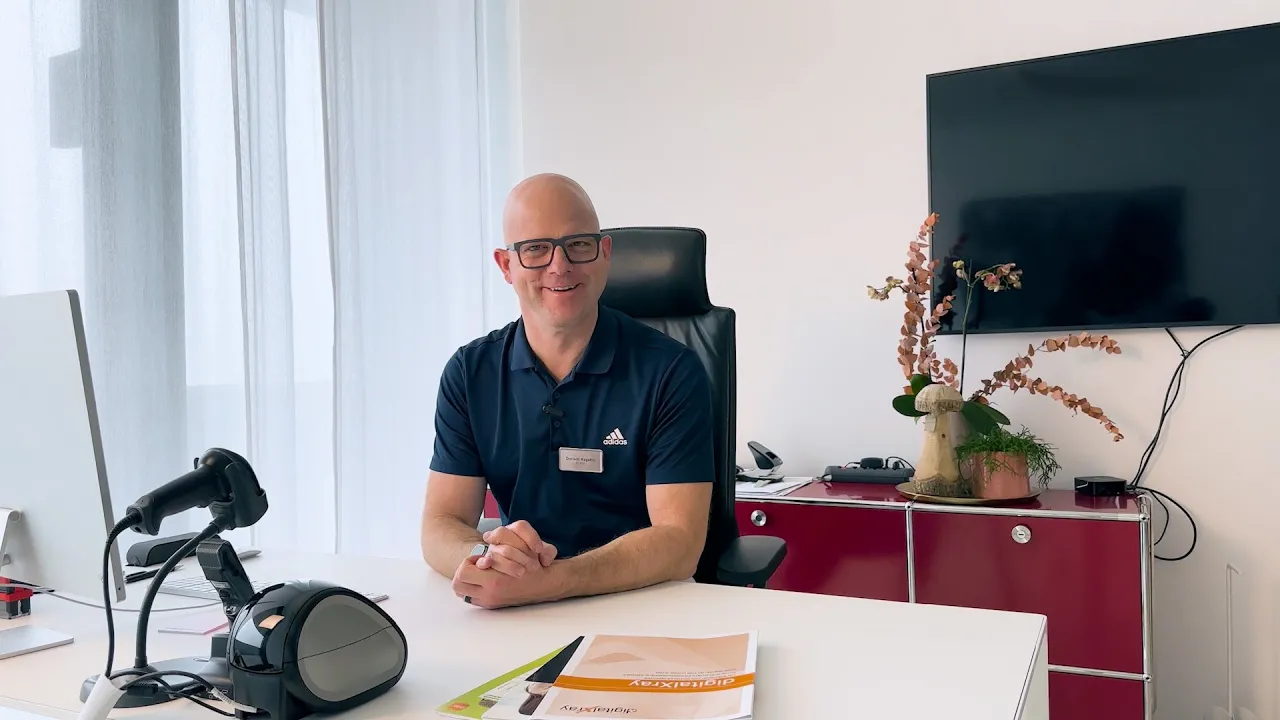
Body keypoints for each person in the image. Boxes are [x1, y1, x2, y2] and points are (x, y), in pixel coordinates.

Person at [419, 173, 715, 609]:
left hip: (642, 603)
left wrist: (552, 580)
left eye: (578, 244)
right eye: (536, 248)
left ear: (605, 253)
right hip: (519, 607)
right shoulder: (469, 373)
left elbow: (679, 542)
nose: (560, 266)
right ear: (506, 266)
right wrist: (487, 559)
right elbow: (440, 523)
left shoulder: (671, 371)